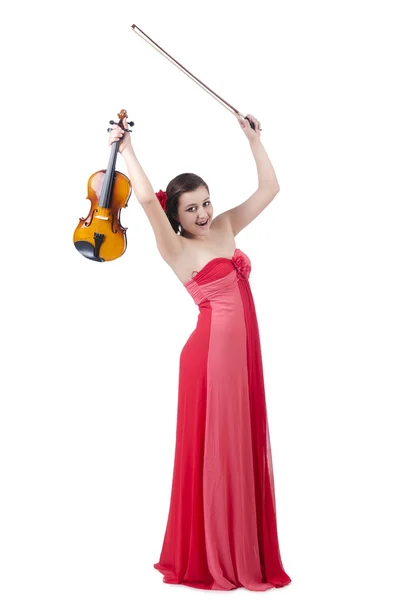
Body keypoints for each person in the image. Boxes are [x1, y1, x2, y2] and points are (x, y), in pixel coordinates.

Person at [108, 114, 292, 592]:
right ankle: (212, 555)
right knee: (216, 453)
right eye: (192, 209)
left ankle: (236, 545)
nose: (204, 214)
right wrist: (126, 150)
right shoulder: (174, 248)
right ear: (177, 217)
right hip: (210, 357)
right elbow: (147, 199)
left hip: (241, 353)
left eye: (206, 203)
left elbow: (270, 188)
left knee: (238, 446)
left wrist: (253, 139)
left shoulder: (227, 225)